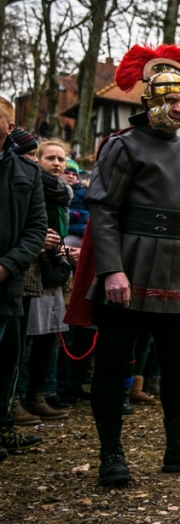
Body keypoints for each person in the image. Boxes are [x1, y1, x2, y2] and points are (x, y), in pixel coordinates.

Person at [63, 44, 180, 487]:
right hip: (130, 264)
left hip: (179, 266)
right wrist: (111, 269)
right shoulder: (122, 146)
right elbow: (104, 210)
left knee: (179, 360)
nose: (177, 109)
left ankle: (179, 448)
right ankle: (110, 455)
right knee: (114, 361)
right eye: (170, 100)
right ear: (151, 101)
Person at [0, 95, 47, 459]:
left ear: (9, 126)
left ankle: (3, 428)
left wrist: (7, 265)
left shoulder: (27, 173)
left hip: (6, 283)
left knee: (6, 359)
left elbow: (35, 229)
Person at [21, 139, 73, 421]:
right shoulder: (32, 187)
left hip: (54, 271)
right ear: (38, 160)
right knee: (27, 337)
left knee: (49, 337)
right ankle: (17, 399)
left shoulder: (63, 194)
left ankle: (38, 395)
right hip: (31, 269)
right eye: (50, 158)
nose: (56, 164)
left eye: (61, 159)